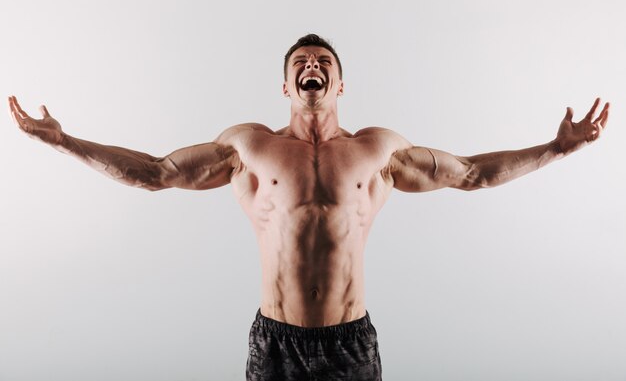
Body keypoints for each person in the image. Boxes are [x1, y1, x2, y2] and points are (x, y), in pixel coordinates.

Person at [8, 33, 610, 381]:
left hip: (351, 342)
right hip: (276, 343)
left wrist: (555, 149)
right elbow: (158, 174)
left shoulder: (379, 150)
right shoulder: (248, 147)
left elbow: (472, 174)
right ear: (286, 86)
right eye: (301, 63)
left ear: (340, 86)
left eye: (324, 62)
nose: (312, 66)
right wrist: (66, 142)